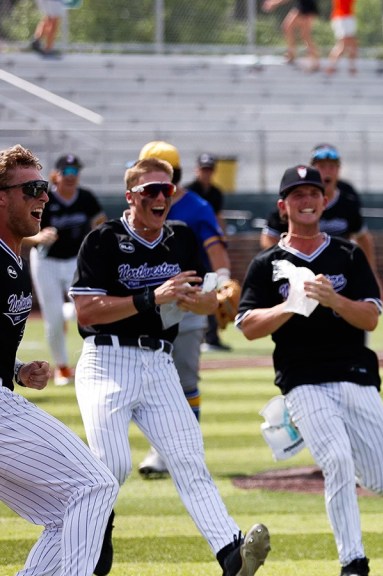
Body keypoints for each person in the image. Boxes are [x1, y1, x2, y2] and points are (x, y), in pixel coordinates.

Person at [68, 156, 269, 575]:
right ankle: (94, 538)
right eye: (150, 191)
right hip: (108, 359)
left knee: (189, 458)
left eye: (167, 189)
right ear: (131, 197)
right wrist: (151, 297)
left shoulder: (180, 236)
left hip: (159, 362)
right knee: (113, 464)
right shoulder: (102, 240)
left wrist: (208, 301)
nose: (161, 197)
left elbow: (205, 298)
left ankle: (231, 553)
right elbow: (87, 312)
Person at [238, 165, 383, 576]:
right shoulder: (267, 263)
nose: (306, 200)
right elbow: (248, 327)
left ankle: (317, 431)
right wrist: (289, 305)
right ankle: (354, 561)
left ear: (324, 200)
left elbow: (370, 319)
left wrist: (333, 300)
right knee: (338, 461)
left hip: (356, 374)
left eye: (313, 193)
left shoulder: (348, 254)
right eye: (296, 195)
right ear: (283, 206)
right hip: (302, 379)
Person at [0, 144, 119, 576]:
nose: (44, 198)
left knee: (66, 511)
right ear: (1, 196)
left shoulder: (12, 255)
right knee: (94, 485)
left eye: (44, 188)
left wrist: (14, 369)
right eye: (31, 188)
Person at [134, 142, 235, 480]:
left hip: (187, 302)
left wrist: (222, 281)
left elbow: (215, 249)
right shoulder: (134, 206)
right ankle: (160, 449)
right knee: (145, 384)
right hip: (146, 304)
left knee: (185, 380)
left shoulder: (196, 207)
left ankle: (186, 451)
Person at [25, 153, 105, 386]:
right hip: (46, 261)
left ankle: (67, 315)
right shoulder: (44, 198)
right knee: (52, 319)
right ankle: (62, 367)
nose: (71, 176)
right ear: (56, 175)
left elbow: (100, 224)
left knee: (86, 310)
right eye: (66, 171)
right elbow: (25, 229)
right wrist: (40, 236)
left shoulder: (87, 198)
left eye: (75, 171)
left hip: (75, 261)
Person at [260, 143, 383, 293]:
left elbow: (363, 237)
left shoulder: (348, 201)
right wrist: (287, 264)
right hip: (300, 273)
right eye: (321, 166)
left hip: (339, 273)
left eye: (332, 166)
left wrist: (371, 274)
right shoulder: (295, 200)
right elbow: (269, 235)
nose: (327, 172)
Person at [184, 152, 233, 352]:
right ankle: (197, 336)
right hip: (190, 248)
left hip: (209, 248)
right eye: (203, 169)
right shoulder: (188, 191)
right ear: (197, 170)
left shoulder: (216, 193)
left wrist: (222, 240)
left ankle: (212, 336)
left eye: (209, 169)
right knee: (192, 290)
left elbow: (218, 219)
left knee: (212, 287)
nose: (206, 173)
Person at [262, 0, 321, 72]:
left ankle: (312, 59)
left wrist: (275, 3)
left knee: (300, 33)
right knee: (302, 34)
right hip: (305, 5)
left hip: (307, 6)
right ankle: (294, 55)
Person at [326, 0, 359, 76]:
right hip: (340, 17)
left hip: (349, 16)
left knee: (353, 44)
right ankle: (331, 67)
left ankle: (352, 67)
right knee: (343, 44)